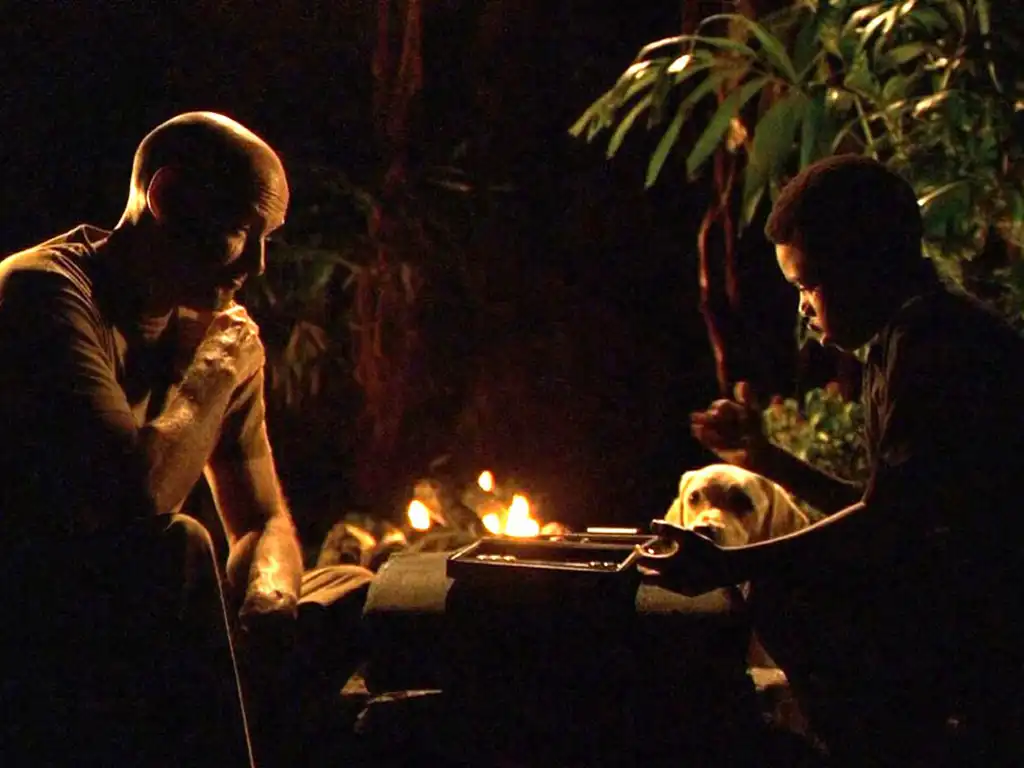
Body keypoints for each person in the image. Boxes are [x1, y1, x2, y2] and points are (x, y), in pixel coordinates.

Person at [0, 112, 373, 767]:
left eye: (268, 238)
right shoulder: (43, 292)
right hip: (43, 615)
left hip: (144, 622)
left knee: (350, 587)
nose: (258, 264)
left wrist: (269, 598)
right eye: (241, 231)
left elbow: (263, 518)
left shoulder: (217, 327)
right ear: (166, 197)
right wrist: (214, 372)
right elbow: (129, 505)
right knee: (178, 546)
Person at [645, 155, 1024, 766]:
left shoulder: (937, 346)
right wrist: (764, 458)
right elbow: (888, 505)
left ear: (865, 266)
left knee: (785, 592)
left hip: (995, 620)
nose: (802, 307)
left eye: (808, 284)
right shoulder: (902, 339)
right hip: (963, 600)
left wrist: (731, 564)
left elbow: (887, 524)